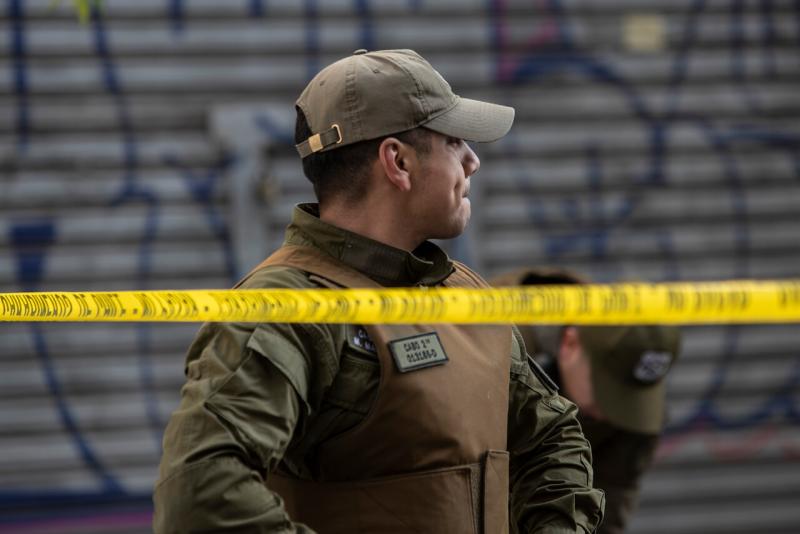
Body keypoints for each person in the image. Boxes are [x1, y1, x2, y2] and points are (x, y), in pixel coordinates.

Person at [153, 49, 604, 533]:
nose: (472, 161)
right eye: (453, 141)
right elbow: (198, 496)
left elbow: (552, 438)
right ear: (398, 162)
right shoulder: (286, 308)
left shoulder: (465, 291)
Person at [491, 268, 682, 534]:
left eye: (630, 400)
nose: (613, 415)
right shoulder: (490, 342)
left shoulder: (638, 413)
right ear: (570, 344)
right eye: (607, 393)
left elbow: (613, 493)